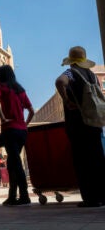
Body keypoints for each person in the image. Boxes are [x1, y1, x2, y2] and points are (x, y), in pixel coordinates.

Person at [55, 46, 105, 207]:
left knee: (82, 161)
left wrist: (67, 100)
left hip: (78, 124)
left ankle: (90, 198)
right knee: (98, 159)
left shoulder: (71, 72)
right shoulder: (91, 75)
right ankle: (102, 195)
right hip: (94, 123)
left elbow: (59, 81)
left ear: (71, 61)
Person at [0, 65, 34, 206]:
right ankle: (11, 196)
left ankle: (24, 196)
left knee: (15, 163)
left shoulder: (1, 87)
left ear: (1, 75)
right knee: (11, 163)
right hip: (22, 131)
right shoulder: (20, 90)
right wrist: (25, 124)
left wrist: (3, 117)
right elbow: (31, 110)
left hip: (10, 130)